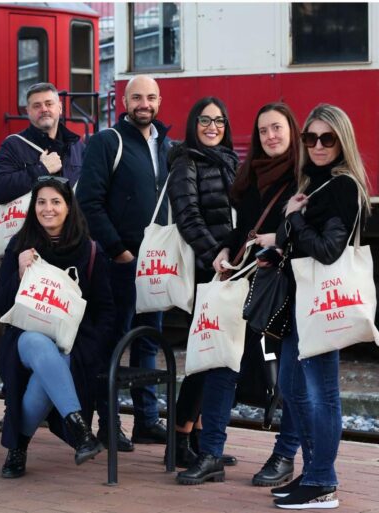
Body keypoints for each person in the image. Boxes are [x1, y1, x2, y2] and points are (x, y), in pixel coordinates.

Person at [177, 103, 302, 485]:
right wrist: (224, 252)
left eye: (277, 128)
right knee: (222, 366)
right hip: (248, 283)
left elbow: (315, 236)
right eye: (263, 130)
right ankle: (211, 453)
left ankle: (284, 456)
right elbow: (244, 228)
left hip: (289, 288)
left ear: (291, 131)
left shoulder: (304, 177)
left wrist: (278, 240)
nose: (270, 136)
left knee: (292, 377)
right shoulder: (251, 175)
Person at [270, 104, 369, 509]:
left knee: (321, 394)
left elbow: (328, 251)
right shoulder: (316, 184)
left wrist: (294, 220)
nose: (317, 145)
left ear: (342, 141)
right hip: (301, 306)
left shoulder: (343, 187)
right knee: (293, 389)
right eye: (310, 138)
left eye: (327, 138)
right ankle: (312, 475)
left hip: (321, 307)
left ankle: (323, 481)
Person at [0, 176, 114, 478]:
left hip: (72, 341)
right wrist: (20, 272)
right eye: (41, 202)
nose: (48, 209)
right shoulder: (19, 246)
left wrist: (94, 347)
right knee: (37, 342)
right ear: (33, 207)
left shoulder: (90, 251)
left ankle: (18, 448)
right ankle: (81, 431)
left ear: (69, 207)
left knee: (51, 365)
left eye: (56, 202)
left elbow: (107, 309)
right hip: (22, 336)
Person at [76, 75, 171, 450]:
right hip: (121, 263)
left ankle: (147, 420)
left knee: (149, 341)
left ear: (159, 101)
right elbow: (89, 201)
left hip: (157, 265)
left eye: (150, 97)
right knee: (113, 342)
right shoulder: (106, 142)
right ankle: (108, 422)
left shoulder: (166, 145)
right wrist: (119, 251)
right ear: (124, 101)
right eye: (136, 97)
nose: (143, 104)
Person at [166, 97, 239, 468]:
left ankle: (196, 436)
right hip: (205, 271)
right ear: (194, 123)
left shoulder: (227, 160)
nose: (213, 127)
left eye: (220, 121)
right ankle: (179, 438)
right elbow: (188, 218)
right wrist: (217, 257)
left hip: (223, 268)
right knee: (205, 356)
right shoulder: (186, 161)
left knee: (215, 356)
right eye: (206, 120)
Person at [0, 82, 84, 204]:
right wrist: (41, 169)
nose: (44, 109)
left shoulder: (77, 146)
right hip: (32, 222)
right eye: (37, 106)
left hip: (72, 222)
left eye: (49, 104)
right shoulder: (13, 145)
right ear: (28, 111)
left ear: (60, 108)